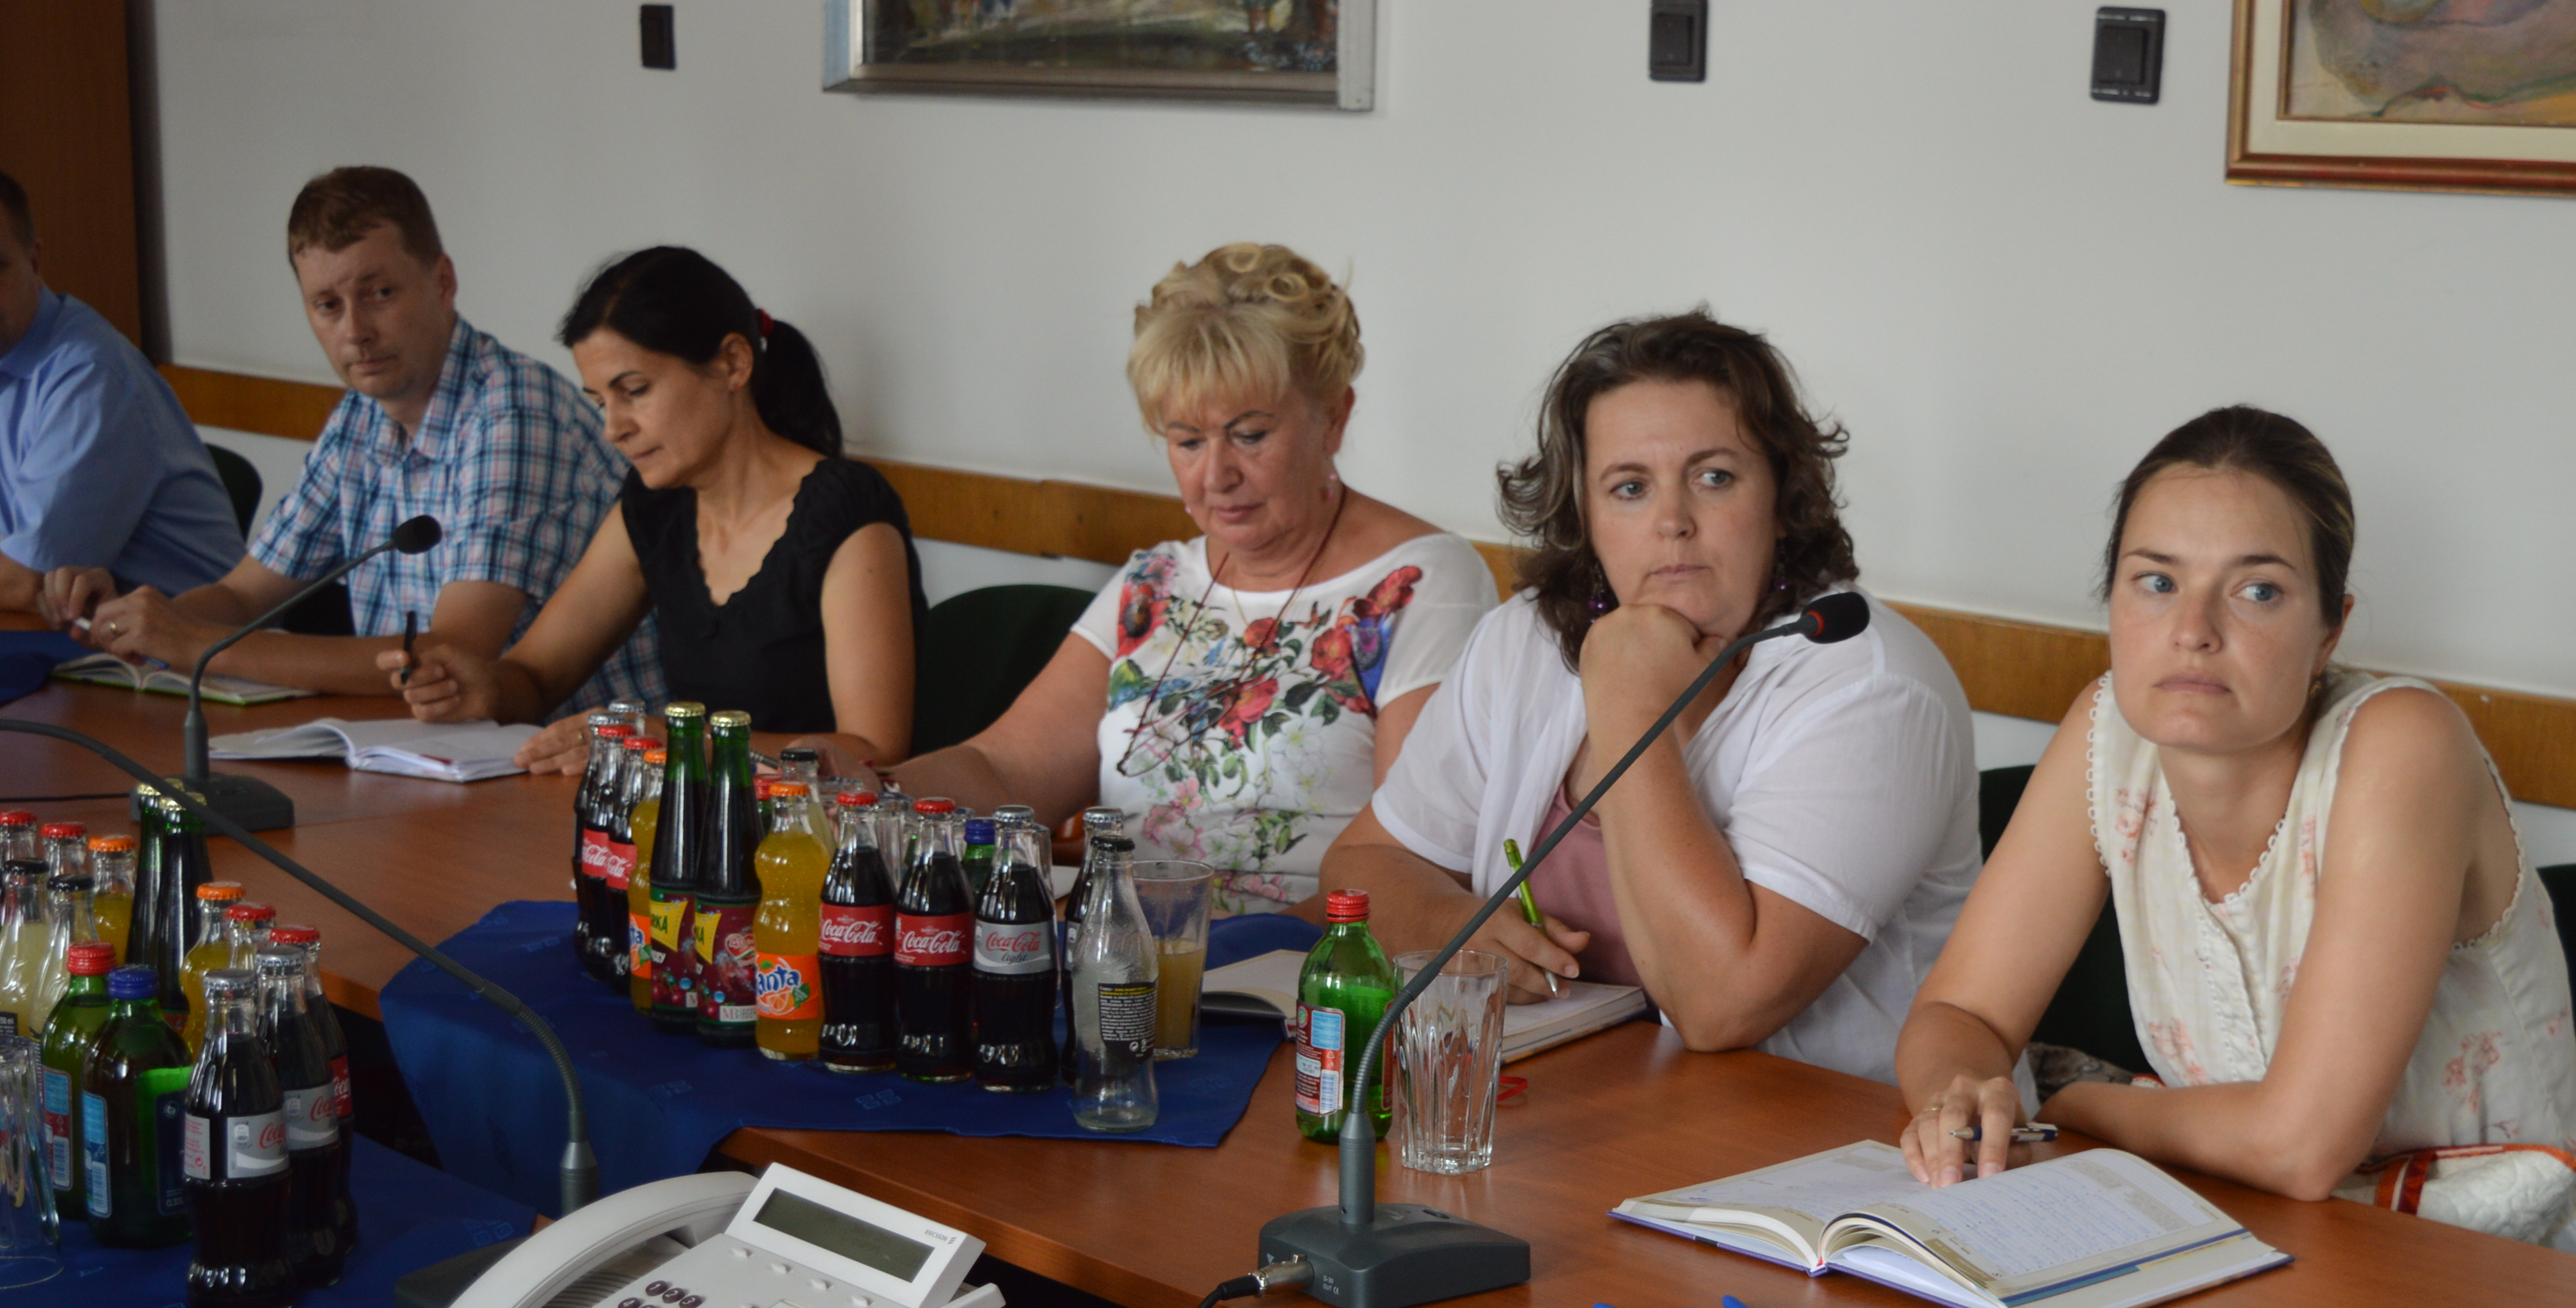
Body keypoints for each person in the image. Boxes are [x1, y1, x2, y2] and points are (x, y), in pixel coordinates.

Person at [1894, 406, 2576, 1261]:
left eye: (2257, 592)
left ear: (2330, 632)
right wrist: (1962, 1096)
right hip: (2240, 1229)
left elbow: (2301, 1147)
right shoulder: (2107, 730)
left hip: (2494, 1259)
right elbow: (1960, 1012)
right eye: (2156, 582)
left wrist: (2077, 1107)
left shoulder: (2403, 743)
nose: (2193, 631)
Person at [1324, 309, 1979, 1082]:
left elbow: (1721, 1006)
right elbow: (1363, 862)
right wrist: (1448, 923)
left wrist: (1629, 701)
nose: (1673, 522)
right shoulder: (1526, 638)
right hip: (1570, 1108)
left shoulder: (1872, 685)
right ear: (1587, 515)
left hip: (1828, 1137)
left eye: (1715, 477)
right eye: (1630, 488)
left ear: (1781, 497)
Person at [881, 243, 1496, 917]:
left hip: (1305, 956)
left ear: (1334, 418)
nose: (1216, 476)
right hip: (1129, 951)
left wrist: (1217, 950)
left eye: (1250, 435)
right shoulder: (1155, 583)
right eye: (1188, 441)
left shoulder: (1420, 584)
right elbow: (1003, 771)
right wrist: (872, 792)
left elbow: (1410, 860)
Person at [41, 166, 659, 713]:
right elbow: (242, 595)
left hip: (579, 764)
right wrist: (133, 620)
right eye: (327, 305)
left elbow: (453, 653)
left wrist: (198, 644)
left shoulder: (513, 414)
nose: (356, 331)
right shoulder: (359, 419)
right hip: (427, 749)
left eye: (379, 293)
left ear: (443, 282)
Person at [390, 247, 921, 772]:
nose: (613, 428)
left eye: (635, 391)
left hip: (819, 823)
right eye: (602, 402)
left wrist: (683, 742)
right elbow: (535, 677)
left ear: (733, 363)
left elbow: (873, 749)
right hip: (701, 815)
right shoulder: (656, 506)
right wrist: (483, 688)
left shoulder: (844, 511)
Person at [0, 169, 242, 615]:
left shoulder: (91, 374)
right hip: (79, 638)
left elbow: (25, 579)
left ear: (34, 262)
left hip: (200, 645)